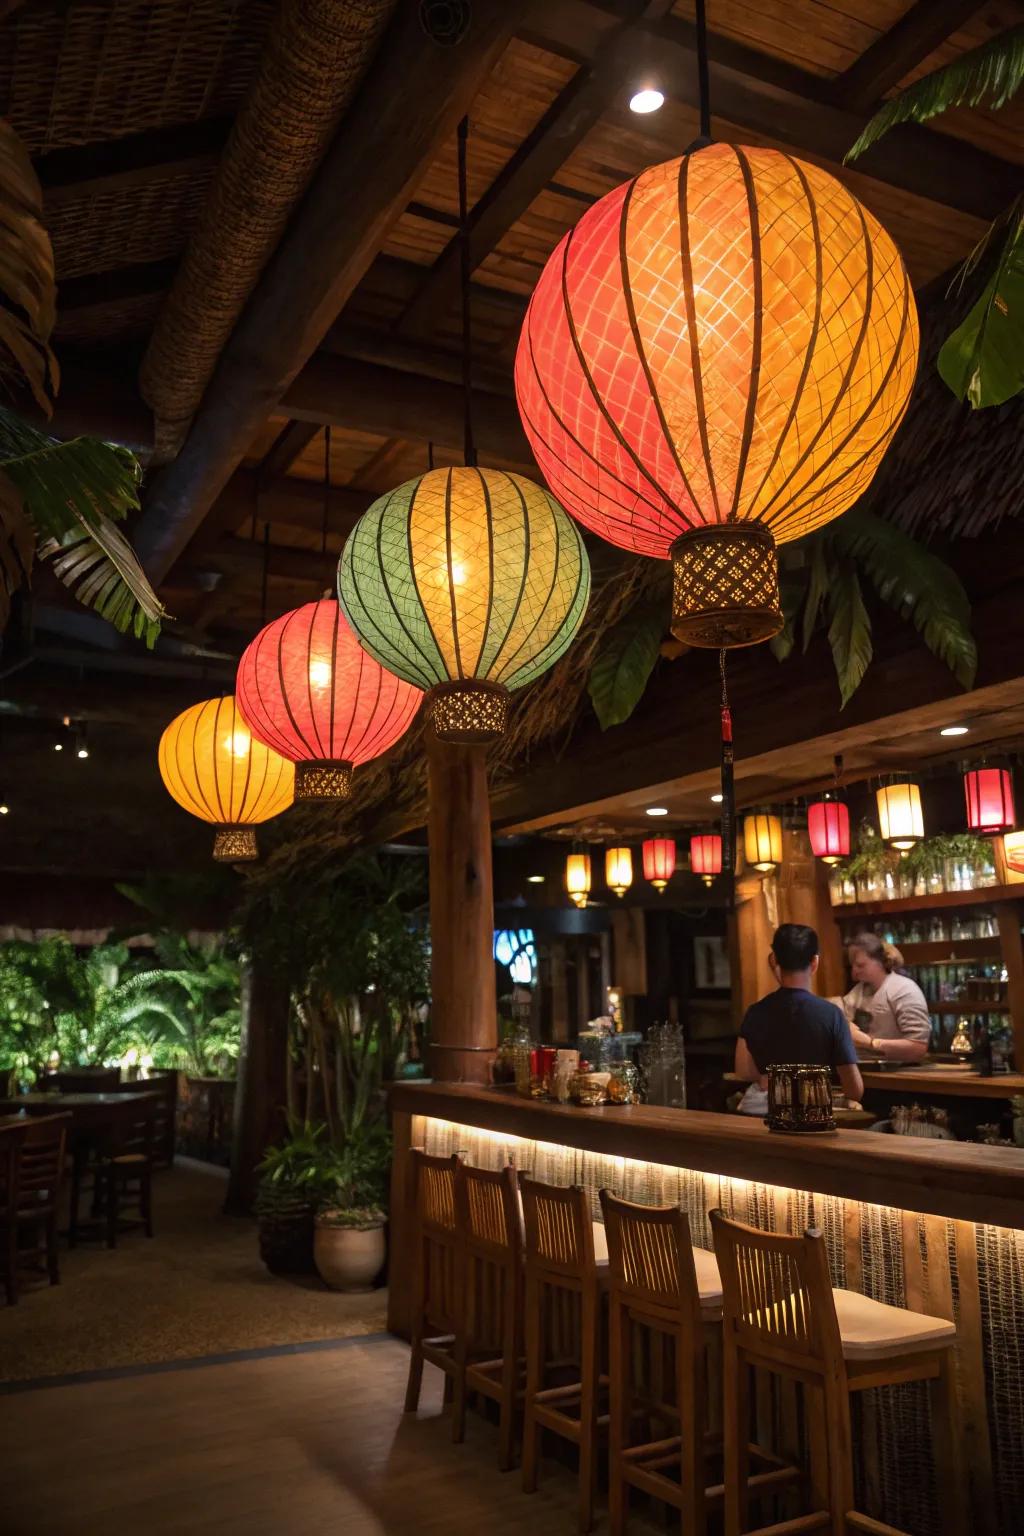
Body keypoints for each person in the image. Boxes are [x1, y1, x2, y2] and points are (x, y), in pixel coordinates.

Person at [734, 923, 863, 1115]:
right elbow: (854, 1090)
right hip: (808, 1119)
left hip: (762, 1116)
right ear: (814, 962)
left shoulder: (755, 1012)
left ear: (774, 959)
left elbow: (743, 1071)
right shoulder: (831, 1015)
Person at [840, 933, 931, 1064]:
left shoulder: (903, 989)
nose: (854, 971)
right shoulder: (856, 993)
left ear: (880, 962)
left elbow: (918, 1048)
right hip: (865, 1070)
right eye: (852, 966)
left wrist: (871, 1043)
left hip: (900, 1074)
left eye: (860, 965)